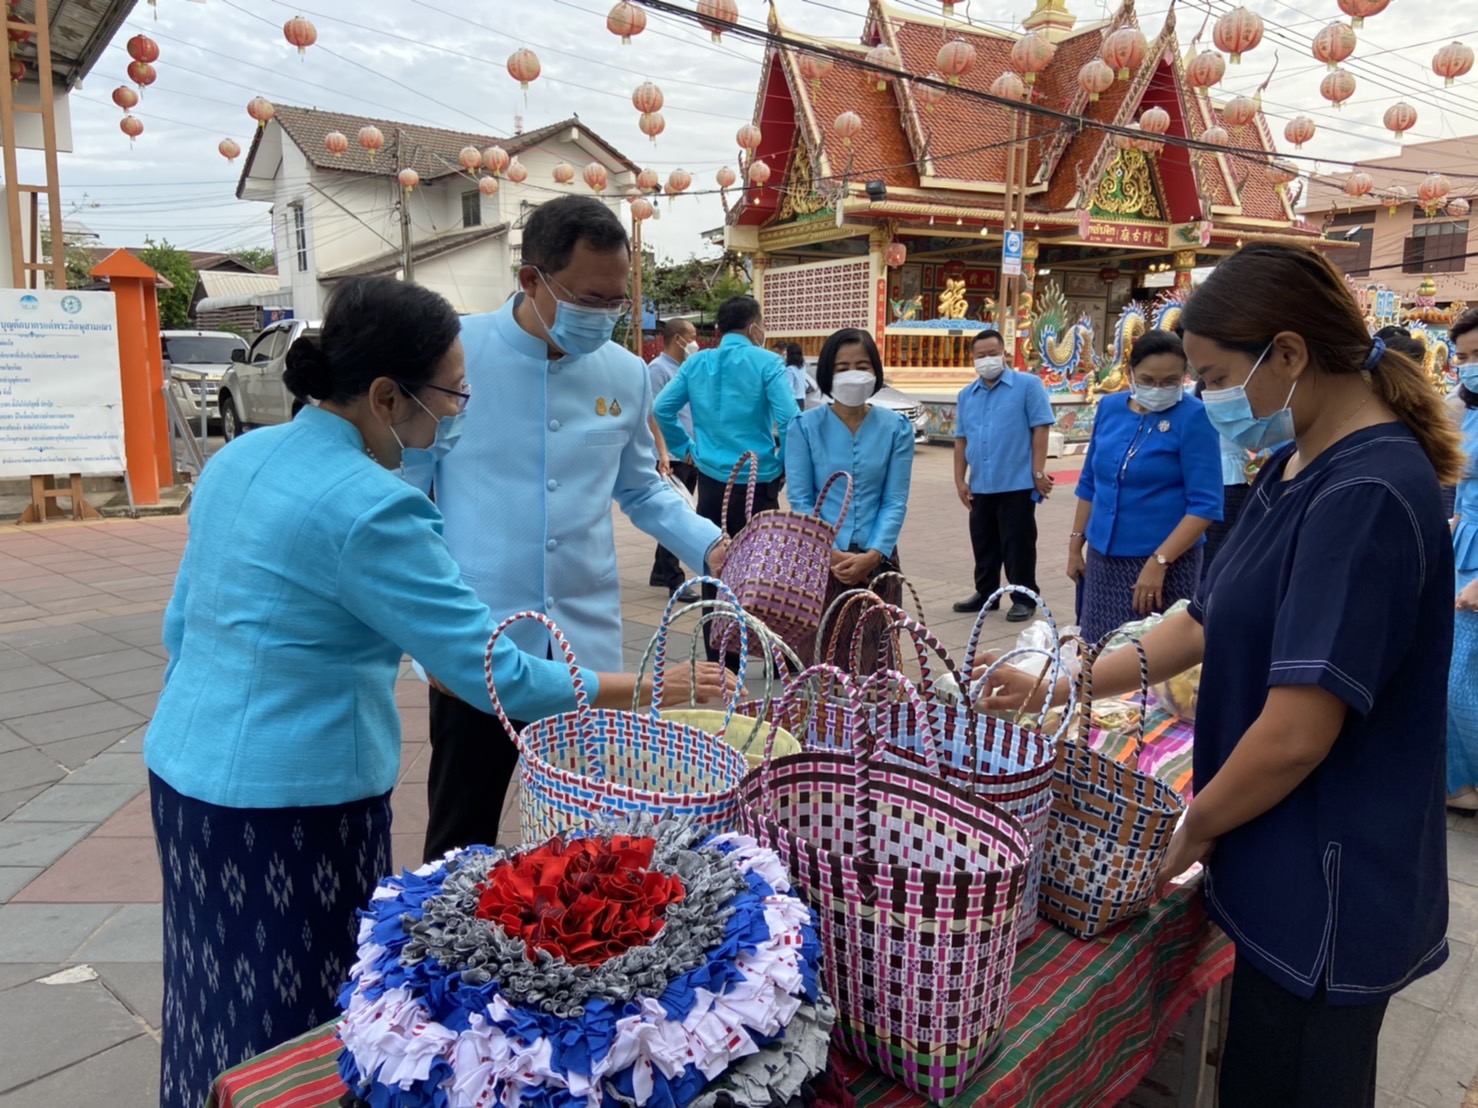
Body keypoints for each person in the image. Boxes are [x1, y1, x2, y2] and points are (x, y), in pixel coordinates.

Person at [142, 277, 724, 1108]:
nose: (456, 414)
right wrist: (646, 685)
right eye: (451, 394)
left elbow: (181, 623)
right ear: (386, 397)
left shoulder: (241, 458)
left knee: (209, 991)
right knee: (299, 1020)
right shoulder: (373, 509)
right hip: (293, 802)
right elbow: (489, 672)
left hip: (183, 774)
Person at [980, 242, 1459, 1108]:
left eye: (1212, 375)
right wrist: (1064, 681)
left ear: (1288, 353)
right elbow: (1206, 619)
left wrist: (1192, 830)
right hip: (1279, 854)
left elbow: (1296, 735)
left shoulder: (1368, 493)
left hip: (1331, 880)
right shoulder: (1293, 462)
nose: (1207, 400)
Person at [427, 196, 726, 863]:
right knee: (459, 839)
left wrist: (712, 545)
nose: (605, 316)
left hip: (584, 647)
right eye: (590, 298)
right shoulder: (455, 357)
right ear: (532, 278)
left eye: (616, 301)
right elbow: (412, 502)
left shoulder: (623, 374)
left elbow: (642, 485)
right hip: (477, 646)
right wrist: (428, 644)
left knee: (587, 845)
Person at [654, 295, 800, 661]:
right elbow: (790, 421)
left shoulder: (697, 362)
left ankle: (720, 661)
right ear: (755, 328)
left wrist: (686, 446)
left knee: (714, 569)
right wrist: (782, 462)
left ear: (719, 329)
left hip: (711, 483)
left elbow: (661, 409)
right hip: (757, 480)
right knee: (761, 572)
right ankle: (767, 654)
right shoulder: (768, 363)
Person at [1070, 330, 1222, 641]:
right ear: (1131, 374)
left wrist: (1159, 562)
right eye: (1148, 380)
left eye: (1170, 381)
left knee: (1148, 660)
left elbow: (1205, 505)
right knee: (1098, 647)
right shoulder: (1110, 408)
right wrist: (1076, 544)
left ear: (1185, 377)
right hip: (1103, 555)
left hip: (1164, 561)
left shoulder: (1195, 418)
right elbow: (1089, 482)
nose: (1158, 389)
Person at [784, 327, 914, 664]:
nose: (852, 375)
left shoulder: (897, 428)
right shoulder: (803, 427)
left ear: (875, 372)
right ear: (827, 373)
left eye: (862, 366)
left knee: (876, 663)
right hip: (821, 561)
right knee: (821, 664)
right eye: (842, 368)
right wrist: (829, 552)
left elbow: (894, 499)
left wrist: (874, 554)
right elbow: (801, 500)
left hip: (878, 562)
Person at [952, 328, 1055, 621]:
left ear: (1004, 354)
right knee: (983, 542)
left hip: (1017, 482)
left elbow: (1041, 428)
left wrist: (1038, 471)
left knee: (1017, 543)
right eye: (980, 355)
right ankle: (986, 594)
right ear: (972, 358)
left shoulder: (1027, 385)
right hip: (981, 483)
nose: (987, 360)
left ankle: (1024, 597)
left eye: (992, 353)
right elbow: (961, 439)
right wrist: (960, 480)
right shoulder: (966, 395)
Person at [1447, 307, 1478, 812]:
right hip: (1463, 545)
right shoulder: (1468, 410)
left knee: (1460, 679)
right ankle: (1460, 786)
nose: (1470, 365)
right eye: (1464, 357)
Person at [647, 317, 701, 602]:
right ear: (677, 338)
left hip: (688, 454)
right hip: (670, 457)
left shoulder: (686, 370)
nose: (696, 341)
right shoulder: (657, 370)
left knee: (678, 513)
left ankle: (659, 571)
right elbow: (654, 415)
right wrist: (663, 454)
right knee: (675, 517)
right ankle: (675, 580)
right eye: (691, 335)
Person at [784, 341, 810, 408]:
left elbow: (789, 388)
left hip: (793, 400)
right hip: (802, 399)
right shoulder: (802, 367)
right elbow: (805, 385)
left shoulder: (789, 369)